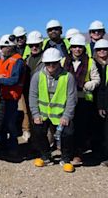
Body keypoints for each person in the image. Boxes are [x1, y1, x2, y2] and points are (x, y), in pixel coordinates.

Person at [29, 48, 77, 173]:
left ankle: (65, 158)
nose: (51, 66)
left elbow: (72, 98)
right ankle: (46, 156)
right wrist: (35, 114)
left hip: (61, 114)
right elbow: (33, 96)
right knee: (38, 131)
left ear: (59, 62)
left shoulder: (68, 77)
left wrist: (67, 116)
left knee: (68, 133)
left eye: (54, 63)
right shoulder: (37, 76)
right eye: (48, 63)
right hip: (43, 114)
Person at [62, 34, 100, 166]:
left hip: (84, 99)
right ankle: (67, 152)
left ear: (83, 48)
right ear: (70, 48)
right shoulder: (63, 61)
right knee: (68, 128)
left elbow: (96, 79)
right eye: (74, 47)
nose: (77, 49)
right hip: (68, 99)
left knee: (81, 128)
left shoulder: (90, 62)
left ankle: (78, 154)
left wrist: (89, 85)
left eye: (80, 47)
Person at [0, 34, 25, 157]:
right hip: (1, 97)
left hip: (11, 98)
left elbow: (14, 80)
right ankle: (3, 145)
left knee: (11, 124)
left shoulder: (18, 61)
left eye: (5, 47)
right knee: (2, 123)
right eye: (1, 47)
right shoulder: (1, 60)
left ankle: (14, 147)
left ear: (11, 47)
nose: (2, 49)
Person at [93, 39, 108, 166]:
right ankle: (98, 153)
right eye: (99, 49)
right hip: (95, 101)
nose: (102, 51)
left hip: (105, 101)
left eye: (105, 49)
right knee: (97, 129)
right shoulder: (93, 64)